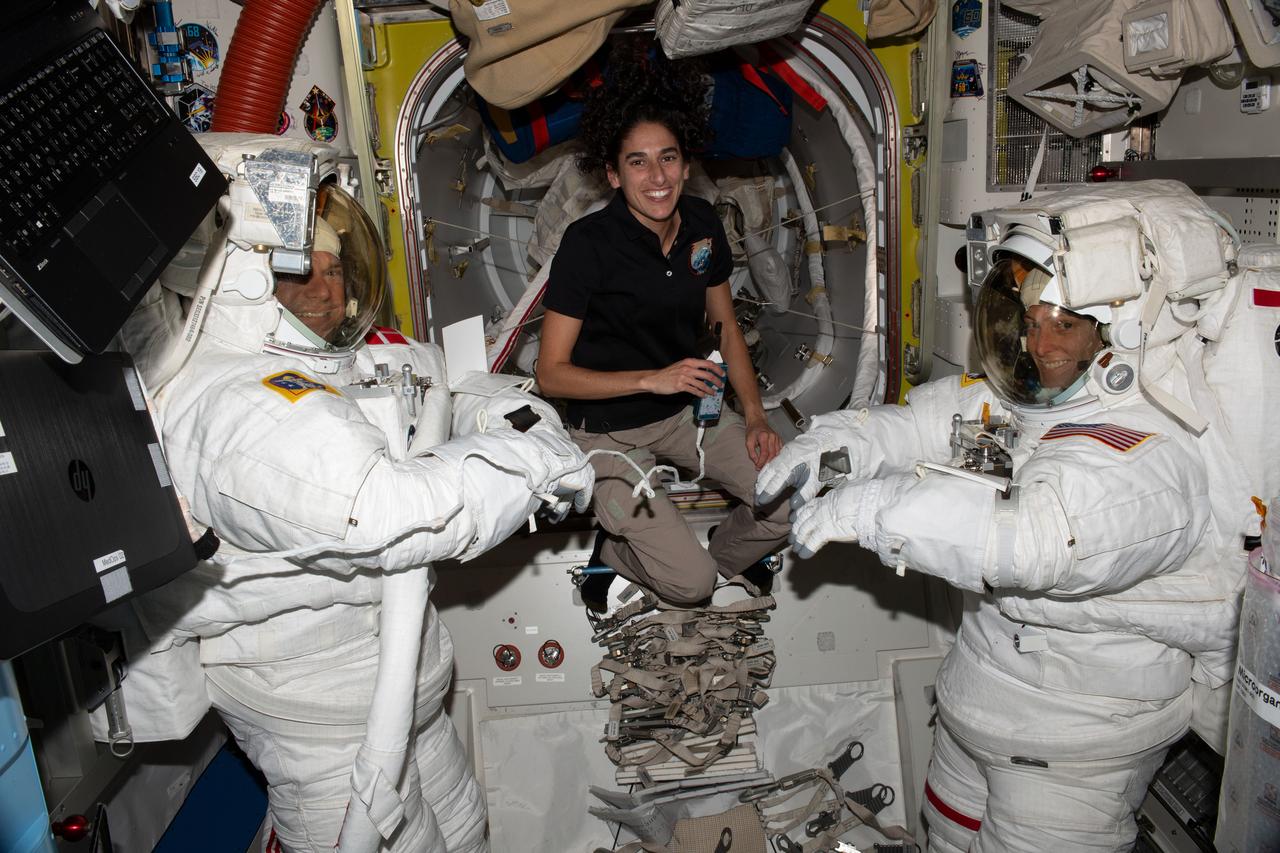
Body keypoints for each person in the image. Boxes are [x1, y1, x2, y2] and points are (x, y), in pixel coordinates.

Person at [117, 165, 594, 853]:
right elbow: (388, 513)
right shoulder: (234, 407)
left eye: (336, 270)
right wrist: (541, 460)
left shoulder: (345, 363)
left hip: (407, 704)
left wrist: (513, 413)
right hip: (329, 739)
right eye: (300, 273)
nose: (327, 289)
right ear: (248, 284)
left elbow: (446, 393)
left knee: (465, 834)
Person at [757, 193, 1240, 852]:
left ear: (1122, 332)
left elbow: (1032, 539)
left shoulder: (1147, 453)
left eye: (1065, 326)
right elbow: (921, 426)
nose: (1041, 344)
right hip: (978, 706)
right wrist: (836, 446)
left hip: (1071, 749)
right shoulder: (1031, 397)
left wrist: (874, 509)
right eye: (1030, 318)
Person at [536, 46, 789, 607]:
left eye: (669, 157)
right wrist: (653, 378)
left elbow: (724, 325)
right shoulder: (588, 246)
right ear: (612, 172)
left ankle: (720, 560)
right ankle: (617, 555)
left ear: (686, 161)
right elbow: (550, 375)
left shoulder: (701, 222)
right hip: (604, 432)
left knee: (782, 506)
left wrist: (753, 417)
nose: (658, 177)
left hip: (684, 415)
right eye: (638, 162)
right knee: (690, 587)